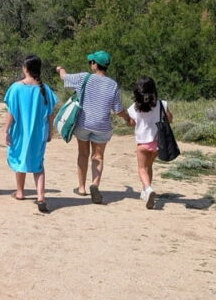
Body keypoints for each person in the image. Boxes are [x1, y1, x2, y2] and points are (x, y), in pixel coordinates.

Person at [55, 50, 131, 204]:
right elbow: (117, 110)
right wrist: (128, 119)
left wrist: (60, 69)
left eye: (91, 62)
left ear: (95, 65)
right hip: (102, 125)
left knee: (83, 154)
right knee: (98, 157)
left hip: (84, 123)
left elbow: (64, 77)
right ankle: (95, 184)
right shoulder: (113, 85)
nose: (90, 64)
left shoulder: (84, 78)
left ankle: (81, 188)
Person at [3, 55, 57, 213]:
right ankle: (41, 196)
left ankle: (20, 192)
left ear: (25, 68)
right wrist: (49, 131)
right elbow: (50, 114)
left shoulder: (16, 88)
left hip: (20, 131)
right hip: (38, 133)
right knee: (38, 165)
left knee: (19, 158)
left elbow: (11, 112)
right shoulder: (44, 89)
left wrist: (6, 130)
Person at [127, 76, 172, 209]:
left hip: (142, 143)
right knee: (149, 166)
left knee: (142, 168)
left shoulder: (135, 107)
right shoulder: (162, 104)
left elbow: (131, 123)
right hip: (157, 143)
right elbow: (170, 119)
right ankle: (145, 190)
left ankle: (148, 189)